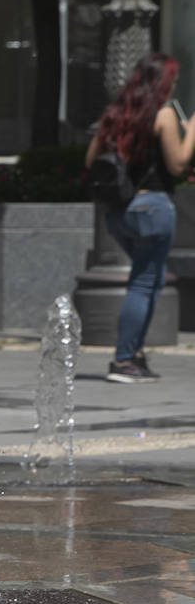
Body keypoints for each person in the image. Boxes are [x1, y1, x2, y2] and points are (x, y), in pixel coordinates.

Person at [85, 52, 195, 384]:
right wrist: (191, 131)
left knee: (152, 278)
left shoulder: (115, 114)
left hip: (119, 212)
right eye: (172, 80)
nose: (174, 85)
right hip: (153, 207)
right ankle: (123, 361)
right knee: (145, 282)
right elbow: (177, 165)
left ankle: (133, 354)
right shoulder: (162, 116)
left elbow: (91, 159)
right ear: (162, 82)